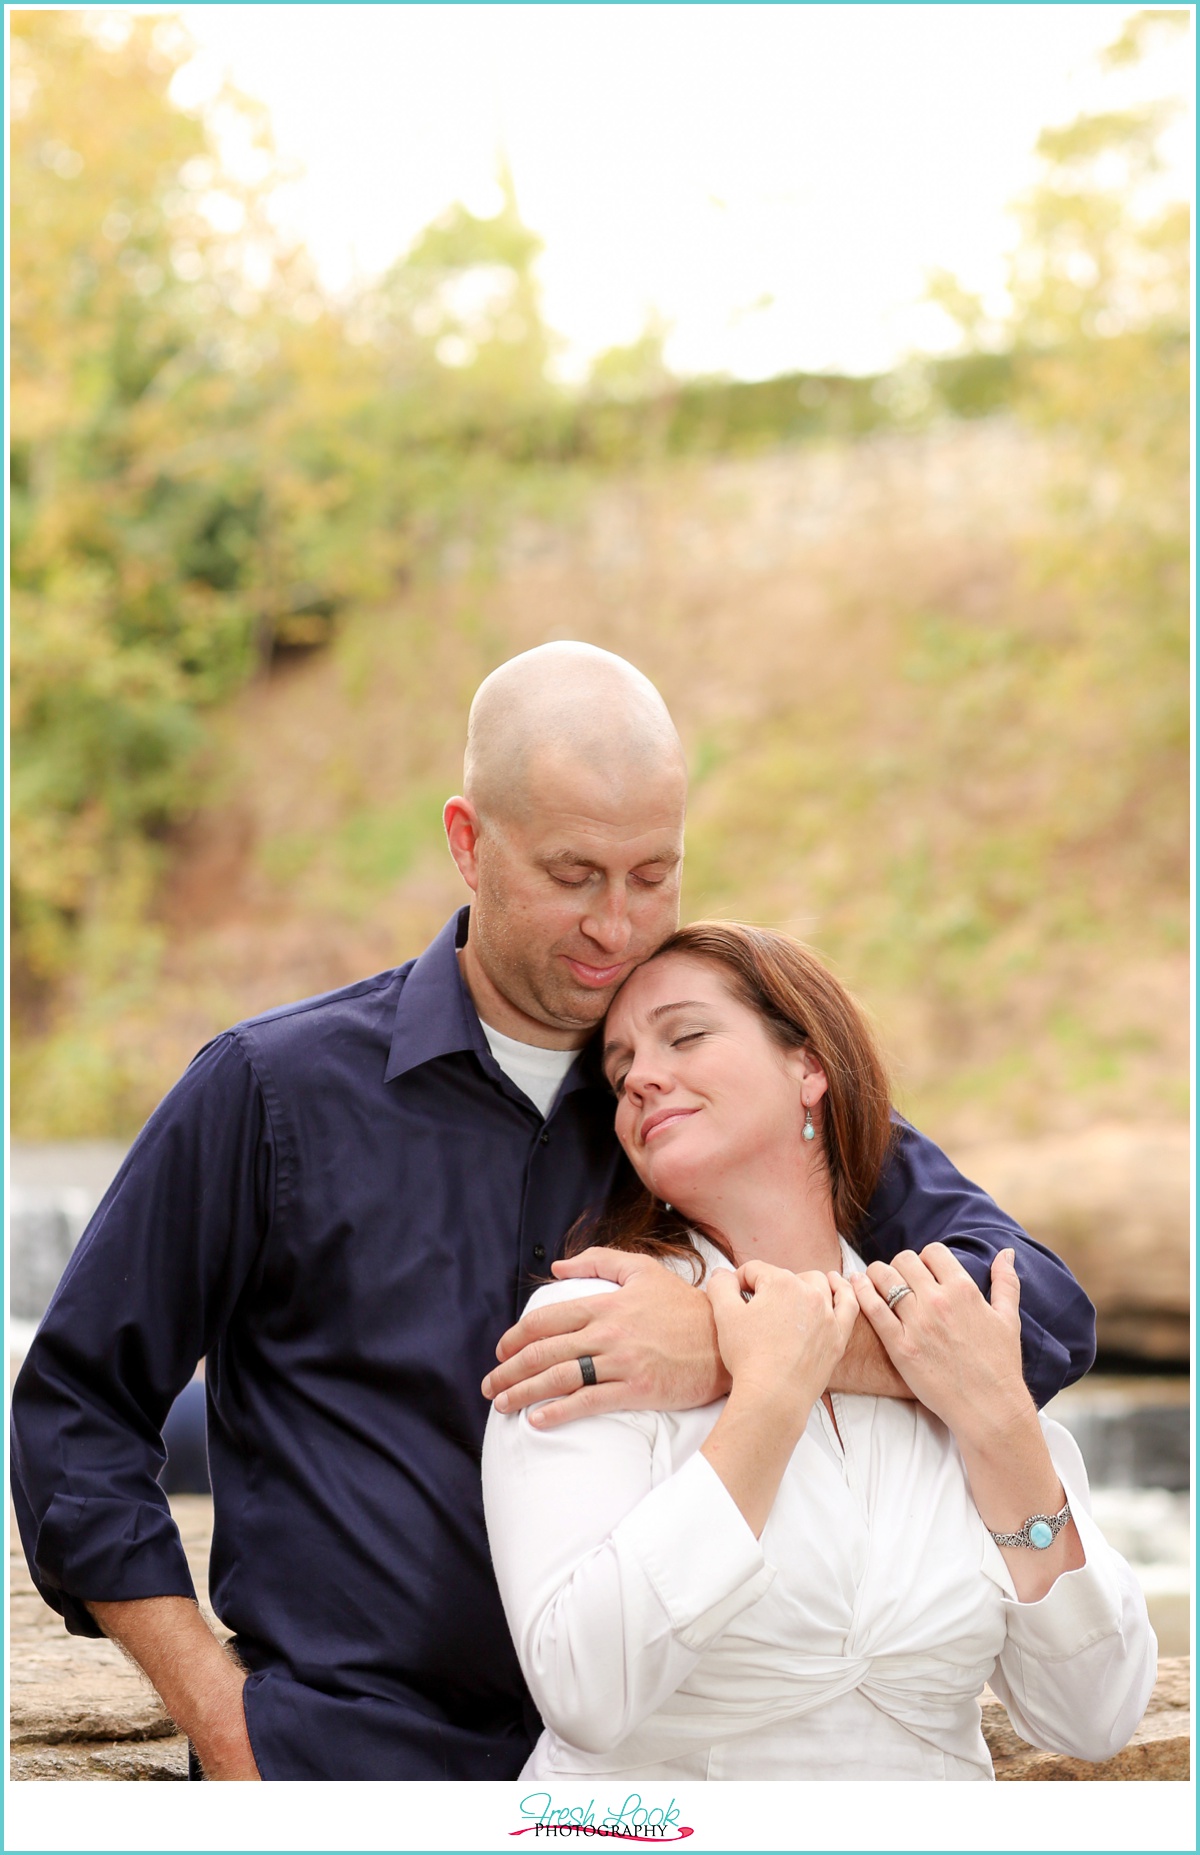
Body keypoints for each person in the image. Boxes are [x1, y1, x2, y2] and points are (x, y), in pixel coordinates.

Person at [11, 644, 1097, 1782]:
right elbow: (77, 1409)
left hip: (649, 1790)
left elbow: (1037, 1316)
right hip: (344, 1770)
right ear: (468, 841)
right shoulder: (270, 1091)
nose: (619, 926)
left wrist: (732, 1342)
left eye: (654, 874)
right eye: (576, 874)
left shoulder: (710, 1101)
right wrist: (225, 1722)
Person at [482, 923, 1156, 1781]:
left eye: (685, 1035)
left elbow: (1096, 1711)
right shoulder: (597, 1321)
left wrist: (998, 1426)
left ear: (810, 1068)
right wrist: (767, 1398)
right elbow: (583, 1690)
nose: (643, 1077)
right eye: (620, 1073)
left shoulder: (946, 1333)